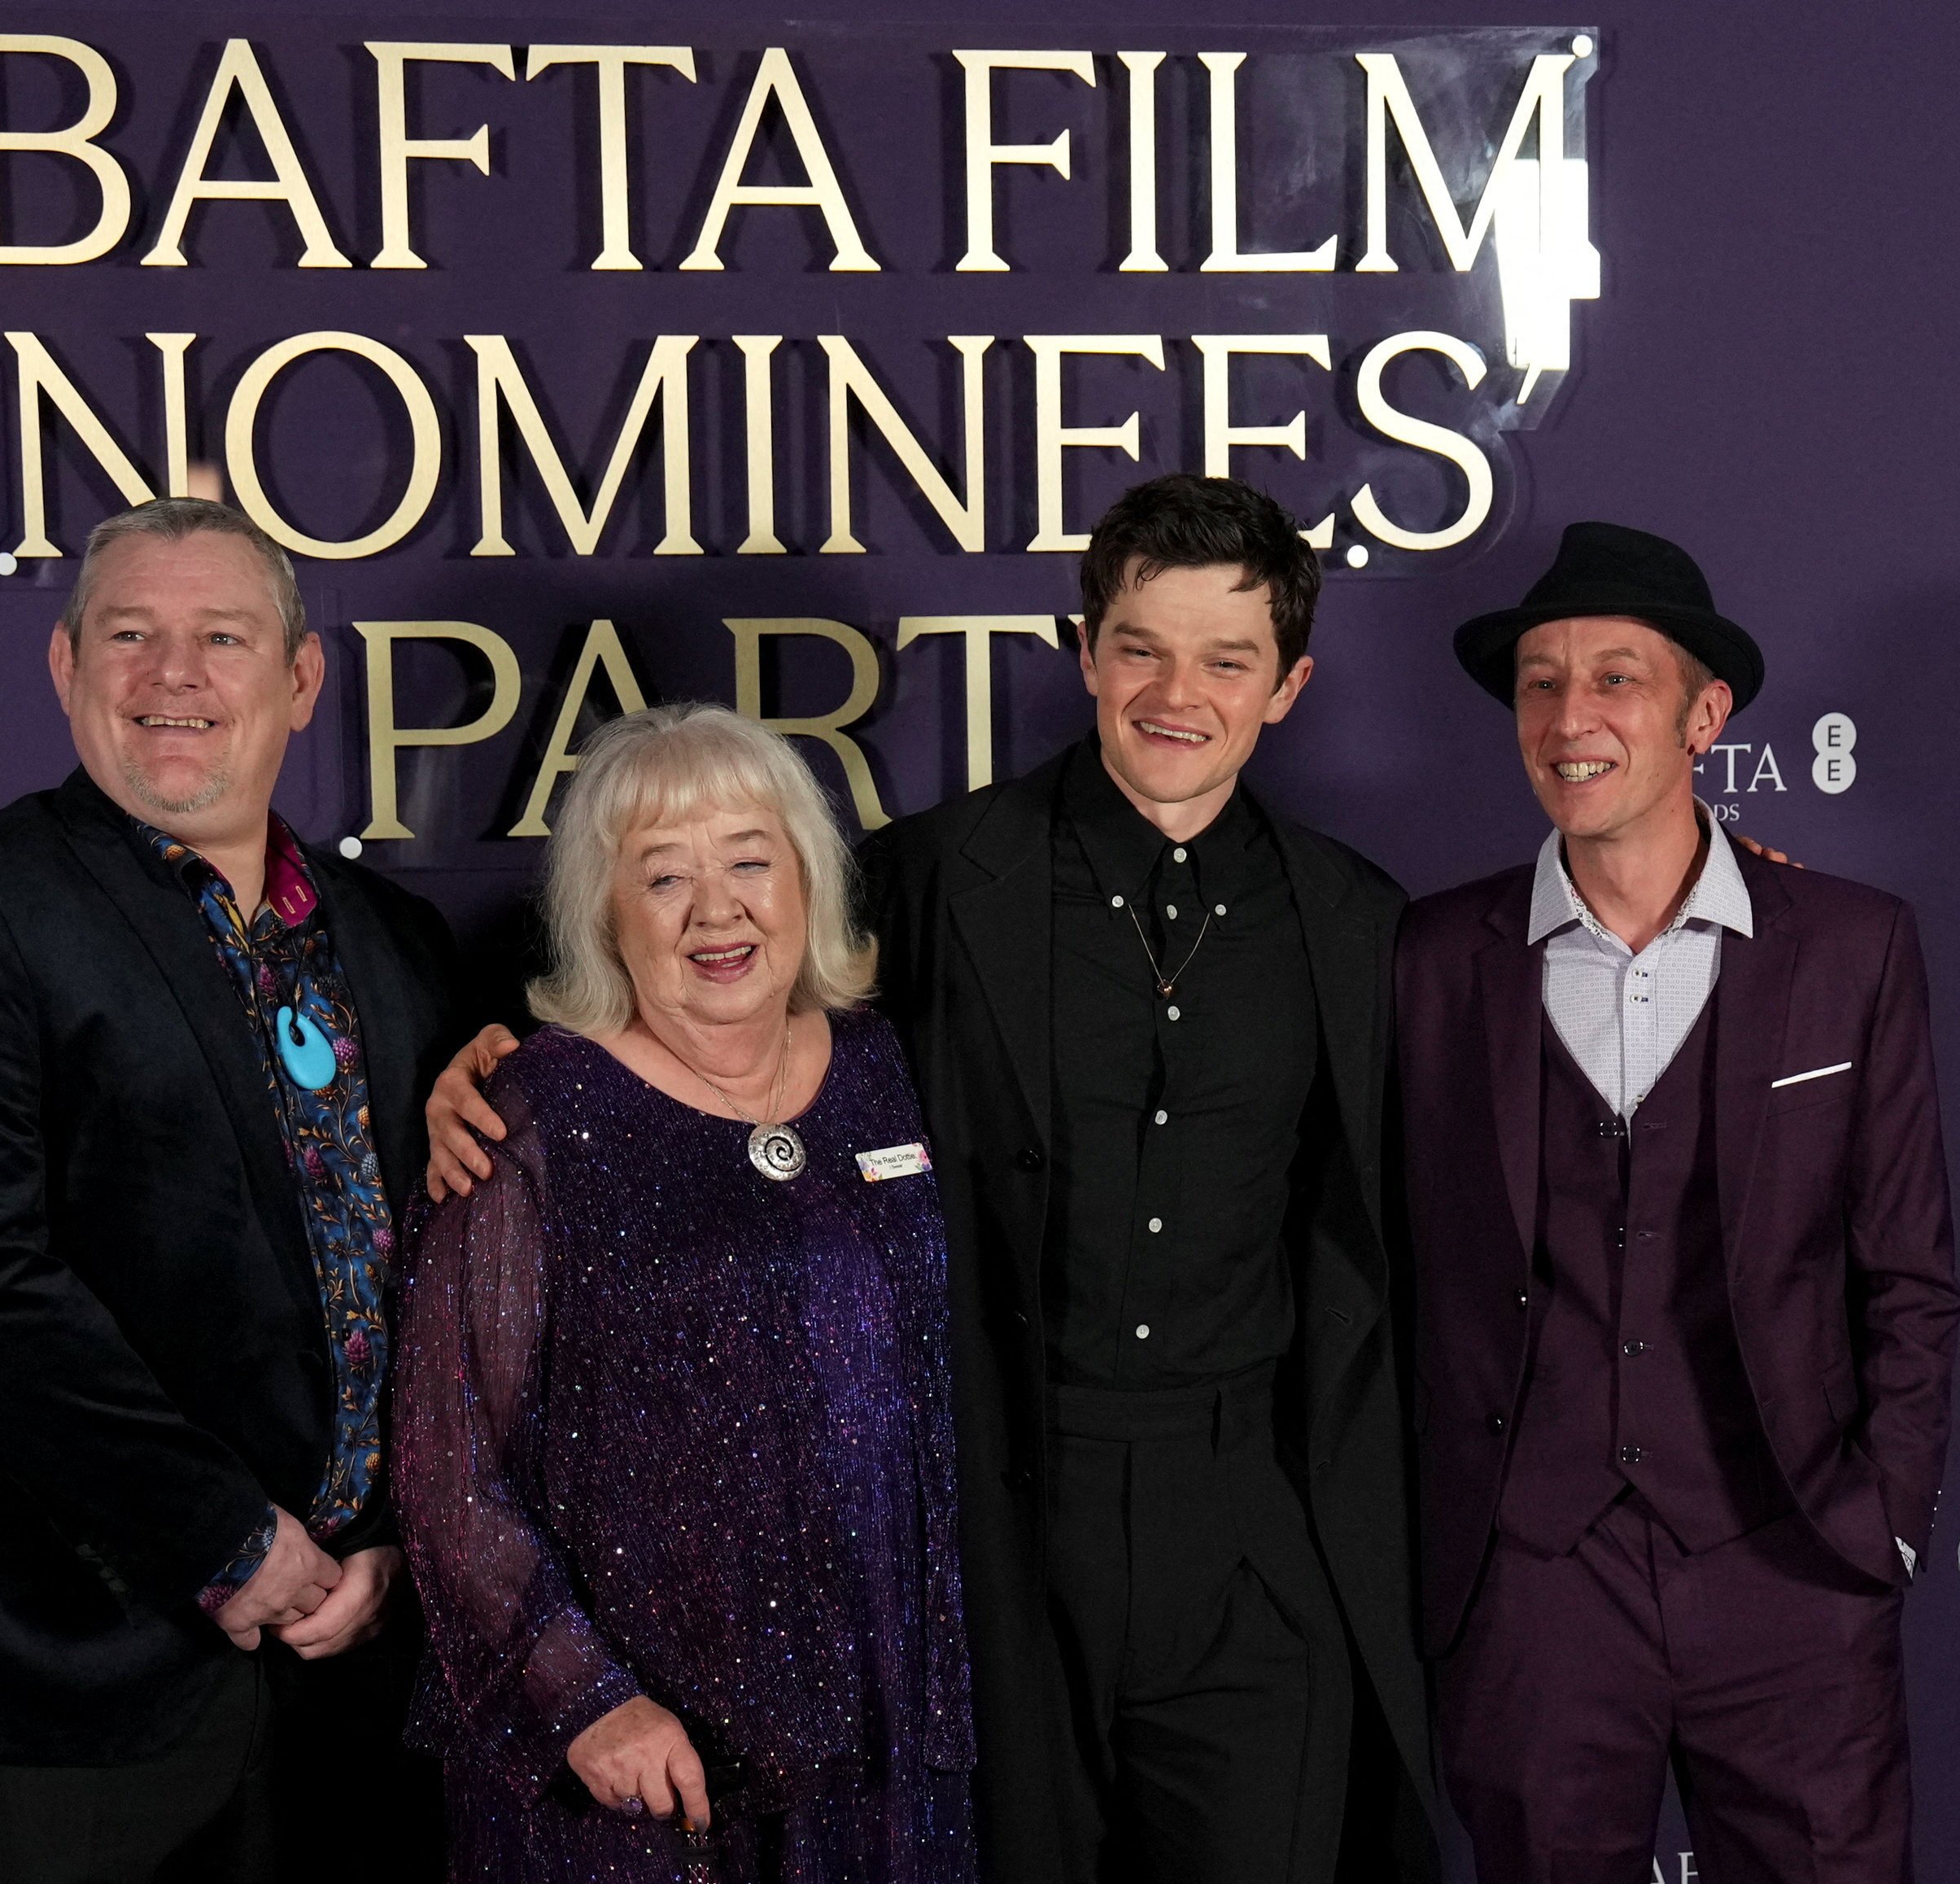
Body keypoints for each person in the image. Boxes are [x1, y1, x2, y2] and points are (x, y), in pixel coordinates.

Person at [428, 479, 1436, 1882]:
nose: (1175, 693)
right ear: (1084, 652)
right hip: (989, 1537)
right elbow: (707, 990)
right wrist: (484, 1055)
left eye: (1228, 659)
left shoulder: (1359, 921)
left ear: (1290, 685)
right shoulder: (932, 880)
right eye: (1141, 647)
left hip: (1253, 1540)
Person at [0, 496, 454, 1883]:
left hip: (349, 1682)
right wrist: (227, 1539)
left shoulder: (392, 940)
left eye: (222, 637)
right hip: (55, 1691)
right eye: (131, 636)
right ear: (64, 666)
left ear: (300, 678)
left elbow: (445, 1280)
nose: (175, 678)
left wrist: (400, 1536)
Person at [1395, 521, 1960, 1884]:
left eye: (1616, 679)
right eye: (1541, 682)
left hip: (1791, 1562)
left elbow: (1911, 1273)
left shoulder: (1851, 944)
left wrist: (1879, 1517)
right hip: (1533, 1583)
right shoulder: (1426, 955)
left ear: (1705, 714)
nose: (1571, 717)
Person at [393, 703, 973, 1883]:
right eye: (665, 877)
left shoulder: (883, 1066)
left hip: (882, 1745)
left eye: (751, 861)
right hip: (637, 1765)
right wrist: (582, 1699)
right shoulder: (527, 1118)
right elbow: (446, 1462)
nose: (719, 910)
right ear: (605, 915)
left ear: (807, 878)